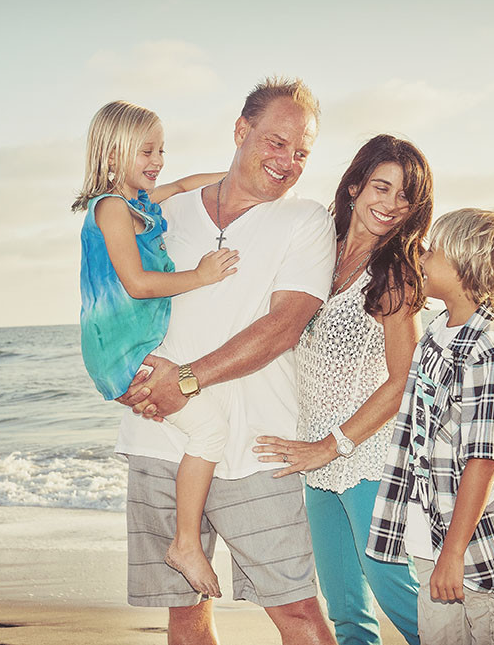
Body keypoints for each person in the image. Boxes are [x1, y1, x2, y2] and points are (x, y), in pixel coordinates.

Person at [114, 77, 338, 645]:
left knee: (298, 613)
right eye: (276, 141)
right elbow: (110, 288)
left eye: (302, 151)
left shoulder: (307, 221)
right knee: (185, 613)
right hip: (159, 435)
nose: (288, 161)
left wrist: (185, 380)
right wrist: (119, 375)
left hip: (258, 445)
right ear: (241, 131)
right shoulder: (162, 210)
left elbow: (283, 327)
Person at [253, 134, 432, 645]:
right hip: (314, 461)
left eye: (404, 197)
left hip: (366, 456)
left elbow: (403, 381)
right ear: (354, 186)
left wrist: (330, 446)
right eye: (381, 187)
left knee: (393, 589)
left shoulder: (394, 273)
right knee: (346, 609)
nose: (391, 205)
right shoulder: (316, 254)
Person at [73, 100, 238, 598]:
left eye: (161, 149)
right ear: (112, 152)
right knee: (210, 432)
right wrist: (202, 275)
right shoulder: (111, 209)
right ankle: (185, 544)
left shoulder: (141, 203)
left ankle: (187, 537)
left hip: (129, 346)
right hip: (121, 350)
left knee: (189, 420)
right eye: (146, 150)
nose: (158, 160)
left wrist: (242, 177)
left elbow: (188, 185)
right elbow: (139, 283)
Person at [366, 208, 494, 644]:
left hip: (479, 548)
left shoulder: (488, 351)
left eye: (434, 251)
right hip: (435, 539)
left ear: (465, 264)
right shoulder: (436, 332)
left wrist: (454, 552)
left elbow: (482, 461)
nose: (421, 258)